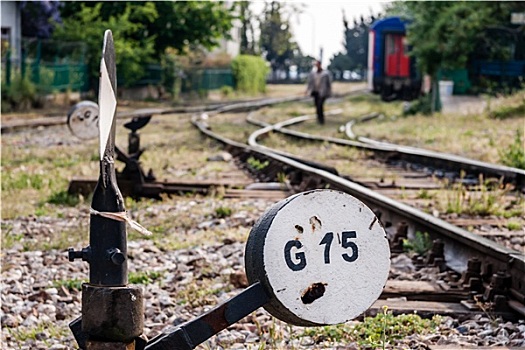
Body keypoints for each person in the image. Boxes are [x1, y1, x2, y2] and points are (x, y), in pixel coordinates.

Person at [305, 60, 332, 124]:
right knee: (317, 105)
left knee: (320, 105)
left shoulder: (325, 74)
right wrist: (308, 90)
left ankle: (321, 120)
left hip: (323, 92)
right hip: (315, 91)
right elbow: (310, 82)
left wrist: (329, 92)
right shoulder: (313, 73)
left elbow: (329, 84)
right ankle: (318, 119)